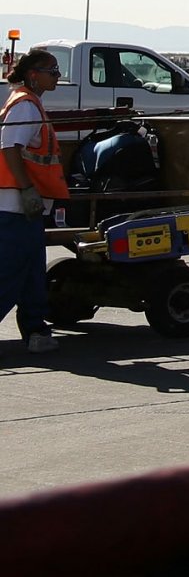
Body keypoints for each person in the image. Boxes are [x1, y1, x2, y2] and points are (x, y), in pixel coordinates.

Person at [0, 48, 67, 355]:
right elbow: (10, 147)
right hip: (15, 206)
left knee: (30, 273)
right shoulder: (26, 106)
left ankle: (36, 331)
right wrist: (27, 189)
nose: (57, 76)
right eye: (52, 71)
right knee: (11, 274)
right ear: (33, 74)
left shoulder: (29, 103)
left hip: (23, 208)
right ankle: (35, 329)